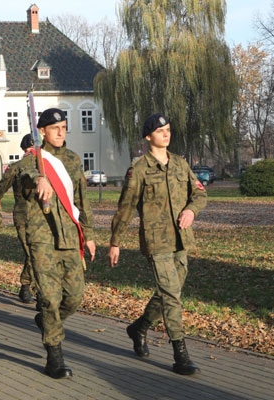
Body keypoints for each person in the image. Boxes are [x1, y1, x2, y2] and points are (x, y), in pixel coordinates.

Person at [108, 113, 207, 375]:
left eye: (168, 129)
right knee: (172, 296)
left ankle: (139, 327)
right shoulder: (139, 169)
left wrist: (191, 211)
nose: (166, 134)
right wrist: (115, 242)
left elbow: (199, 193)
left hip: (181, 240)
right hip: (156, 242)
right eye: (161, 130)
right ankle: (180, 354)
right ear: (148, 137)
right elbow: (125, 208)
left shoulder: (180, 164)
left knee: (168, 292)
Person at [28, 108, 96, 379]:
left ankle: (46, 322)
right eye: (54, 128)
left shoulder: (73, 159)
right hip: (43, 240)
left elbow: (82, 198)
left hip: (70, 237)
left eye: (64, 127)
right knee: (50, 299)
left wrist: (89, 235)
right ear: (42, 131)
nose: (60, 132)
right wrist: (37, 178)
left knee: (74, 297)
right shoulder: (33, 160)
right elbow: (20, 180)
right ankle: (54, 355)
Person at [0, 134, 37, 304]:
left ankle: (33, 289)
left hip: (34, 216)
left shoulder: (45, 166)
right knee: (33, 253)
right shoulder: (17, 167)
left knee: (37, 252)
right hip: (25, 214)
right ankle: (27, 287)